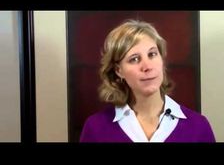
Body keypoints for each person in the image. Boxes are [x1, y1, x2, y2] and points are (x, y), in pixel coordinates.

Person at [79, 19, 216, 142]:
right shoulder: (96, 129)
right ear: (118, 70)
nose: (147, 66)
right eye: (134, 59)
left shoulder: (198, 127)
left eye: (152, 54)